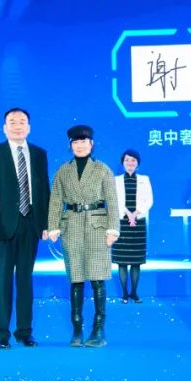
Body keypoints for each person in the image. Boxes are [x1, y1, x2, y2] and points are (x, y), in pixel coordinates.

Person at [0, 108, 50, 349]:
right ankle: (1, 332)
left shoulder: (39, 154)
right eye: (12, 122)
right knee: (2, 280)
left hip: (31, 223)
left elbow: (44, 190)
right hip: (2, 226)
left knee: (25, 280)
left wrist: (46, 224)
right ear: (4, 128)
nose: (17, 125)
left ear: (28, 127)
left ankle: (24, 331)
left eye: (22, 122)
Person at [47, 125, 120, 347]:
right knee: (76, 279)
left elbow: (112, 201)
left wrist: (113, 229)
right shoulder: (63, 170)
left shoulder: (103, 169)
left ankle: (98, 329)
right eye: (75, 142)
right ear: (70, 146)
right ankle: (77, 328)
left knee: (97, 279)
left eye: (84, 142)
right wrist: (53, 226)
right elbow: (56, 200)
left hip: (97, 226)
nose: (80, 146)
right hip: (72, 226)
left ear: (91, 144)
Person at [112, 149, 153, 303]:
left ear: (138, 163)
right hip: (121, 222)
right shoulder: (115, 180)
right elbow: (113, 200)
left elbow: (149, 200)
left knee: (136, 261)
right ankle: (124, 294)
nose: (130, 163)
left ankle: (134, 293)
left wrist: (135, 213)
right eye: (127, 160)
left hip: (138, 224)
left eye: (133, 160)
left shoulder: (144, 179)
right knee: (122, 261)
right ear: (123, 163)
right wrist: (128, 214)